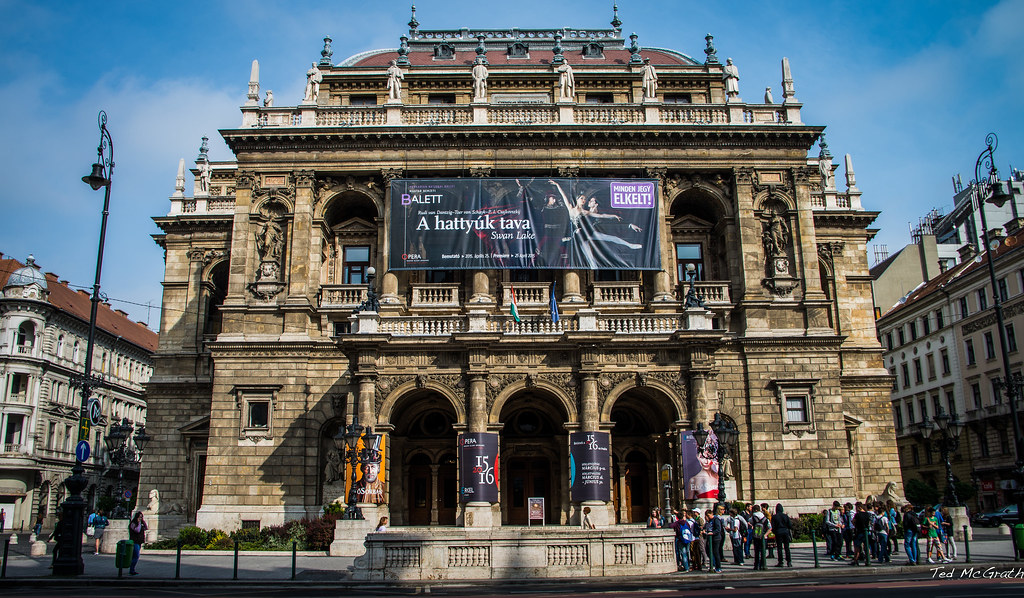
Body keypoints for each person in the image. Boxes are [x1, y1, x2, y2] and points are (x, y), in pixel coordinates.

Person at [749, 504, 769, 570]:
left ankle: (756, 565)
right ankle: (763, 565)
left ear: (754, 510)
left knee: (756, 550)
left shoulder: (753, 517)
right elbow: (769, 527)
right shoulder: (764, 518)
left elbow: (749, 522)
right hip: (762, 535)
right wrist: (765, 534)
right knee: (763, 550)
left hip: (756, 535)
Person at [128, 511, 148, 575]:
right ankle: (131, 570)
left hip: (139, 541)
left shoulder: (141, 523)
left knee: (135, 556)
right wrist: (139, 523)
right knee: (136, 556)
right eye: (139, 517)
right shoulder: (133, 523)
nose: (140, 519)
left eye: (141, 517)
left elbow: (146, 528)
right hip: (134, 541)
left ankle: (132, 569)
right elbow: (137, 530)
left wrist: (143, 522)